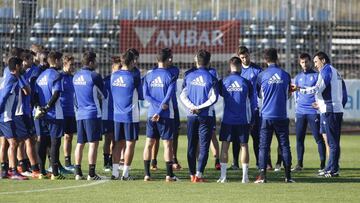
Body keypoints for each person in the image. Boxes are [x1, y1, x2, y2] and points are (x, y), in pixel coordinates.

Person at [298, 52, 346, 177]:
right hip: (328, 109)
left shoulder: (326, 71)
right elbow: (341, 93)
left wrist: (299, 89)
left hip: (331, 110)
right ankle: (329, 167)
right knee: (330, 141)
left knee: (332, 141)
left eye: (316, 61)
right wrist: (320, 104)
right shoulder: (333, 71)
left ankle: (333, 169)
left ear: (323, 60)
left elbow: (317, 89)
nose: (315, 65)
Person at [254, 48, 294, 183]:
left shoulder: (261, 75)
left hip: (266, 116)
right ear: (277, 58)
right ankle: (288, 176)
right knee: (285, 146)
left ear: (265, 60)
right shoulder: (285, 75)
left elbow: (259, 95)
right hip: (281, 116)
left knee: (264, 147)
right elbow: (289, 95)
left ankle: (263, 176)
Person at [180, 49, 218, 182]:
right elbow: (214, 98)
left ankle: (191, 175)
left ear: (197, 61)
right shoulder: (211, 77)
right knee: (204, 147)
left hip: (191, 116)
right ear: (209, 62)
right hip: (205, 116)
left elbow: (182, 95)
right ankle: (199, 175)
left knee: (191, 145)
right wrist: (200, 108)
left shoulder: (189, 76)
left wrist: (192, 107)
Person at [217, 57, 255, 183]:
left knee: (224, 147)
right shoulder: (246, 82)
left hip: (227, 119)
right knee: (244, 146)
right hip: (242, 120)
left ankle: (223, 177)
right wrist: (253, 119)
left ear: (230, 65)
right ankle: (245, 177)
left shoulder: (224, 82)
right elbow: (252, 101)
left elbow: (220, 95)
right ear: (240, 65)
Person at [142, 48, 178, 182]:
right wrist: (160, 110)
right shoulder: (171, 76)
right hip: (166, 115)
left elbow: (146, 95)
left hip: (151, 114)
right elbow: (168, 97)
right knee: (167, 144)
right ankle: (169, 175)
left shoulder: (148, 75)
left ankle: (147, 174)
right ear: (168, 59)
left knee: (149, 143)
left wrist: (155, 109)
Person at [73, 52, 106, 180]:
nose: (97, 63)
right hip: (92, 113)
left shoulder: (75, 76)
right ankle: (91, 174)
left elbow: (74, 97)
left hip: (80, 114)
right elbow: (104, 95)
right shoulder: (94, 75)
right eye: (95, 61)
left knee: (80, 143)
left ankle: (77, 172)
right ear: (91, 62)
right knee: (93, 144)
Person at [111, 50, 143, 180]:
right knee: (130, 144)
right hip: (130, 114)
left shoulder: (113, 75)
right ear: (131, 62)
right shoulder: (133, 76)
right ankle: (125, 174)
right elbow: (141, 96)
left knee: (118, 143)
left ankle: (114, 173)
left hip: (117, 114)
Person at [34, 51, 65, 180]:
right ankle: (55, 173)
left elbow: (35, 95)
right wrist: (47, 108)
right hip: (53, 114)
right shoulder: (56, 75)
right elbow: (56, 93)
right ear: (56, 60)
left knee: (41, 141)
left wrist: (39, 108)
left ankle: (42, 172)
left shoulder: (41, 76)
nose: (62, 62)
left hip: (40, 114)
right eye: (61, 60)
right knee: (54, 143)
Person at [292, 53, 326, 172]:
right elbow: (296, 95)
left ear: (310, 62)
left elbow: (319, 91)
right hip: (300, 112)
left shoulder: (317, 76)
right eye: (302, 62)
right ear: (299, 63)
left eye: (306, 62)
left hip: (313, 111)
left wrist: (319, 107)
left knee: (318, 138)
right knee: (299, 139)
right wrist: (296, 111)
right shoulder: (297, 77)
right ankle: (299, 164)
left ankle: (323, 165)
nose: (304, 64)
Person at [231, 46, 263, 170]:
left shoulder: (257, 70)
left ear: (249, 54)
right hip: (240, 109)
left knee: (256, 137)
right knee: (237, 137)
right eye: (242, 57)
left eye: (246, 56)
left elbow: (261, 88)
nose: (244, 59)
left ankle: (259, 163)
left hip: (254, 108)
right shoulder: (237, 71)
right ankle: (235, 163)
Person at [0, 57, 30, 180]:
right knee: (14, 143)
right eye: (21, 65)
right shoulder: (12, 80)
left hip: (4, 116)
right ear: (17, 67)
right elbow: (3, 97)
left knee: (4, 144)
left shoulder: (8, 75)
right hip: (6, 116)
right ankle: (13, 171)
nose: (23, 67)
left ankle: (3, 171)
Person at [60, 55, 76, 172]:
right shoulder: (60, 77)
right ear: (65, 65)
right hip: (60, 112)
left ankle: (67, 162)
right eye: (71, 64)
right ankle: (53, 163)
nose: (73, 67)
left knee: (69, 137)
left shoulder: (73, 78)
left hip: (70, 112)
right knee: (55, 139)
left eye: (74, 64)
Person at [102, 62, 115, 173]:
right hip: (107, 115)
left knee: (116, 139)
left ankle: (112, 161)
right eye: (118, 67)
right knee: (108, 139)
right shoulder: (105, 81)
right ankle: (106, 162)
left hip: (118, 114)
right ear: (112, 67)